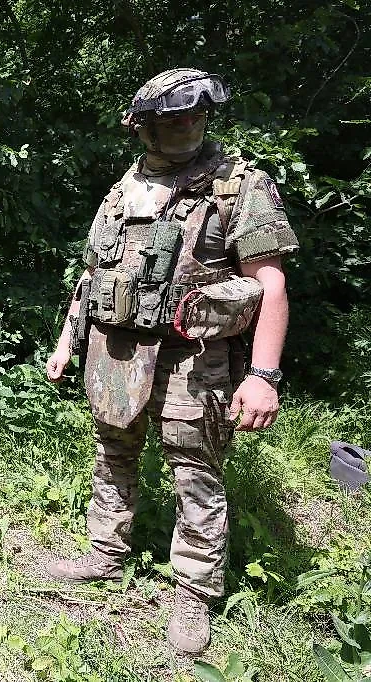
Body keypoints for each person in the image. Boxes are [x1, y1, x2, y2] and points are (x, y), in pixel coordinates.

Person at [44, 69, 298, 653]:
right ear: (142, 127)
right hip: (117, 350)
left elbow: (271, 285)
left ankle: (194, 591)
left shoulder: (238, 186)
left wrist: (262, 376)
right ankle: (106, 553)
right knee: (113, 451)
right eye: (173, 118)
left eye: (196, 116)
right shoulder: (125, 187)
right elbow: (93, 274)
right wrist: (66, 342)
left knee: (194, 469)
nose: (188, 125)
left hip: (193, 357)